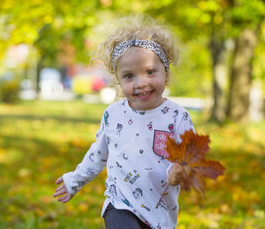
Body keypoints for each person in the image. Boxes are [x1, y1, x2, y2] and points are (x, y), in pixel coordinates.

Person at [53, 15, 195, 229]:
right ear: (118, 81)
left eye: (150, 72)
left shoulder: (177, 117)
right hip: (120, 202)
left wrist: (178, 174)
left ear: (166, 72)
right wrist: (75, 179)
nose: (141, 83)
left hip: (160, 211)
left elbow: (191, 160)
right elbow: (97, 154)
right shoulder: (113, 115)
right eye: (129, 76)